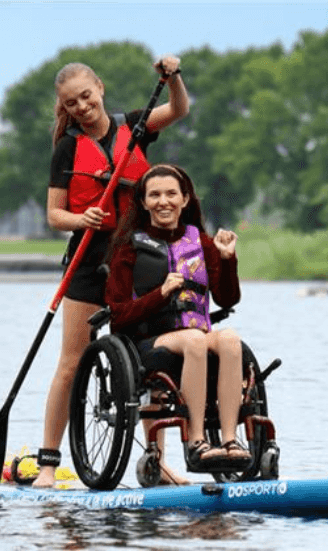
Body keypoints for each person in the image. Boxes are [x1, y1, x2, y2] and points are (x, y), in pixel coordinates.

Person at [35, 57, 190, 488]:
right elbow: (54, 214)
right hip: (88, 262)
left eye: (86, 96)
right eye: (72, 102)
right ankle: (48, 464)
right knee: (70, 362)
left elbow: (178, 110)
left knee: (147, 360)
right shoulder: (67, 147)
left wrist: (173, 78)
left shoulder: (136, 126)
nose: (82, 106)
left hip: (137, 261)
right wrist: (82, 219)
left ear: (99, 88)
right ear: (65, 107)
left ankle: (154, 462)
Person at [104, 163, 252, 470]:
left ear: (185, 199)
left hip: (196, 334)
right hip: (148, 344)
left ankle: (229, 440)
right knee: (196, 340)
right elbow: (117, 316)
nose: (163, 201)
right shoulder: (128, 247)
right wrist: (159, 294)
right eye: (154, 195)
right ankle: (197, 441)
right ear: (143, 202)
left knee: (230, 339)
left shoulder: (201, 241)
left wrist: (227, 259)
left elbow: (227, 298)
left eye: (171, 194)